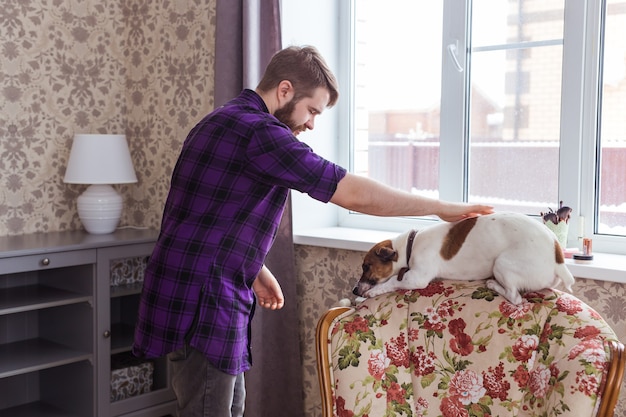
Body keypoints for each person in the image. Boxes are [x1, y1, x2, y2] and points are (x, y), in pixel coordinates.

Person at [132, 45, 493, 417]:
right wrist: (439, 207)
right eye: (312, 111)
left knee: (224, 407)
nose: (310, 124)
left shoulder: (220, 120)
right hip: (206, 296)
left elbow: (206, 211)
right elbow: (353, 193)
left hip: (189, 283)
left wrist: (255, 267)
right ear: (284, 90)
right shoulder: (262, 134)